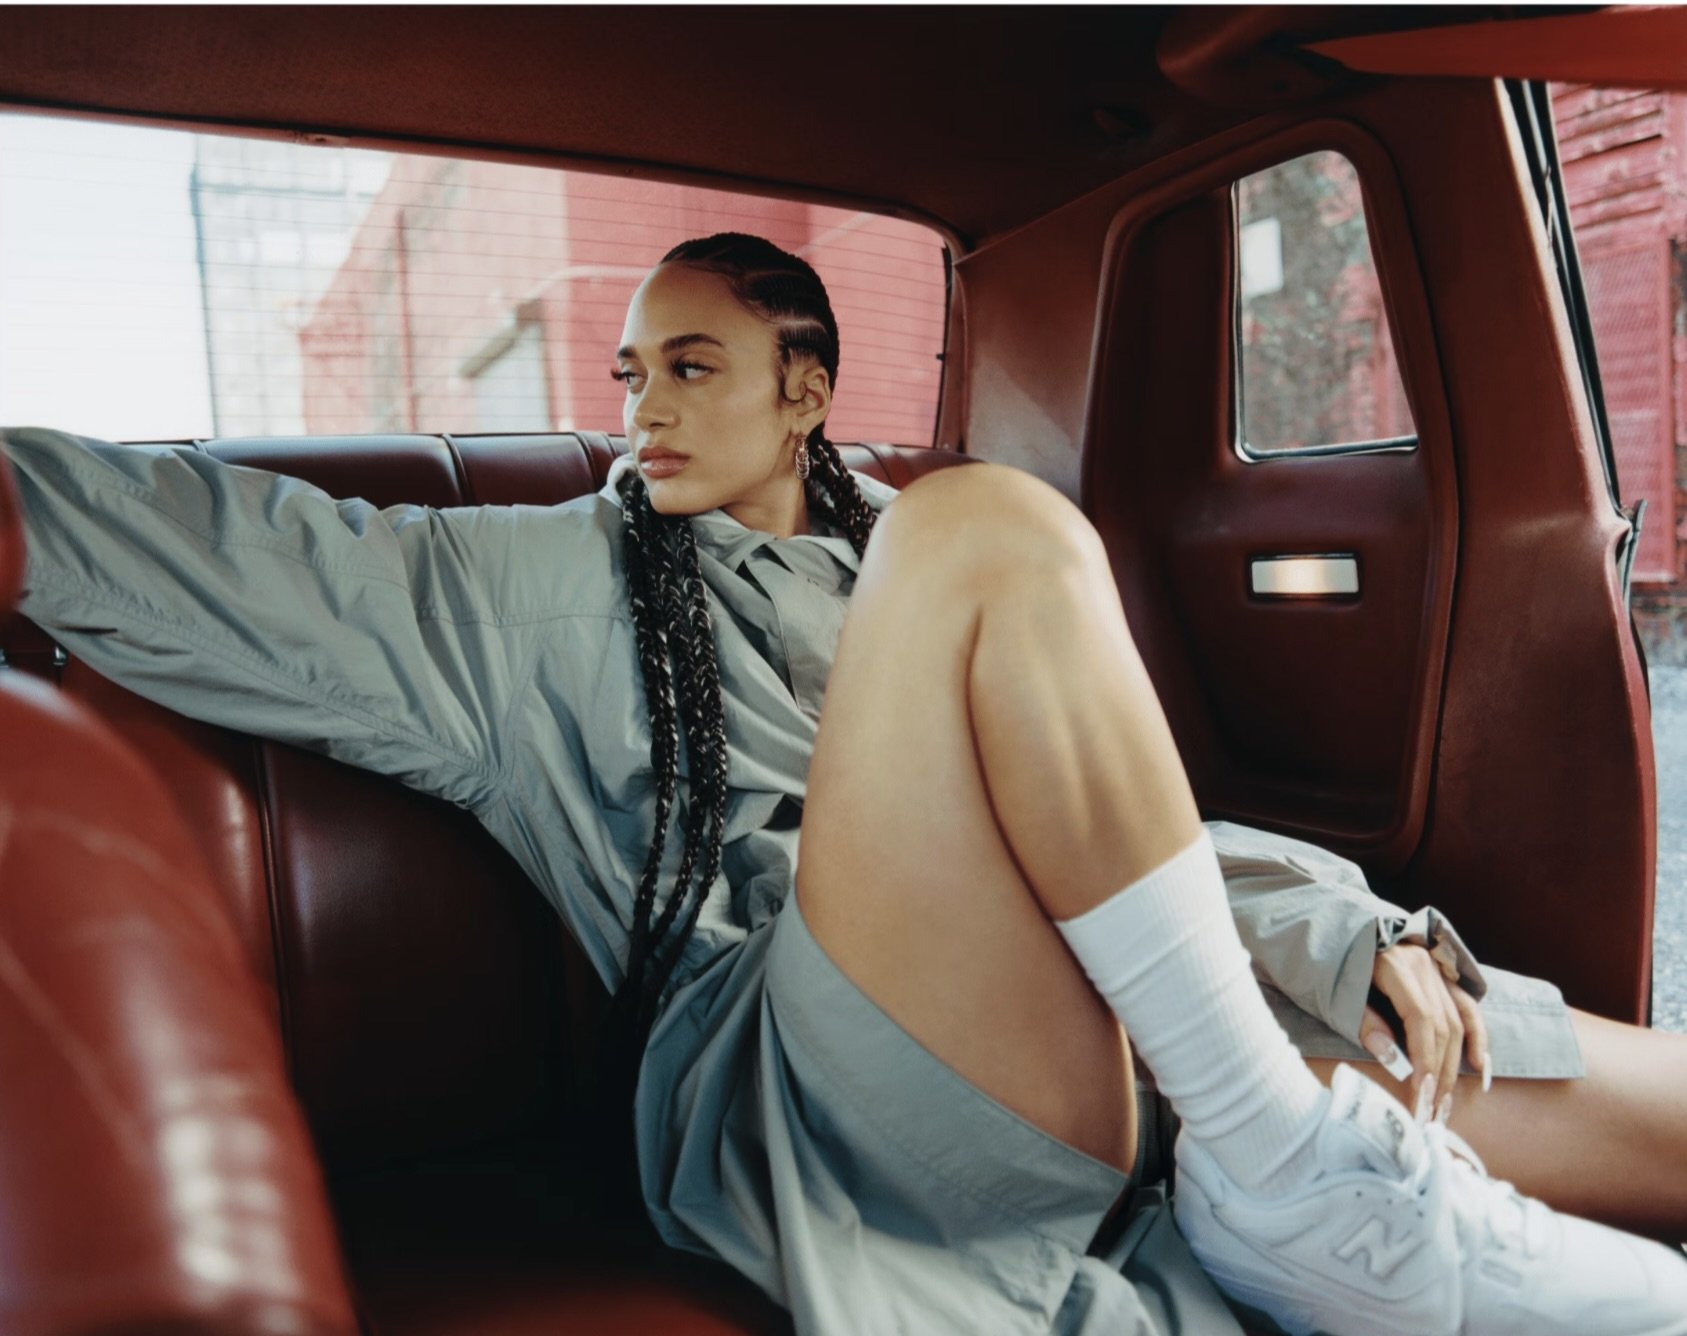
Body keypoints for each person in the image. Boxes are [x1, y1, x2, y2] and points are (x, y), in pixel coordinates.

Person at [4, 232, 1685, 1336]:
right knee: (992, 518)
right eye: (629, 375)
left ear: (808, 392)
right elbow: (172, 532)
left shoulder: (911, 554)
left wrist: (1346, 923)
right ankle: (1293, 1172)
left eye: (693, 367)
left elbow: (1120, 831)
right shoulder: (527, 590)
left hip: (1130, 1024)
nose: (640, 414)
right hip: (820, 1069)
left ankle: (1289, 1164)